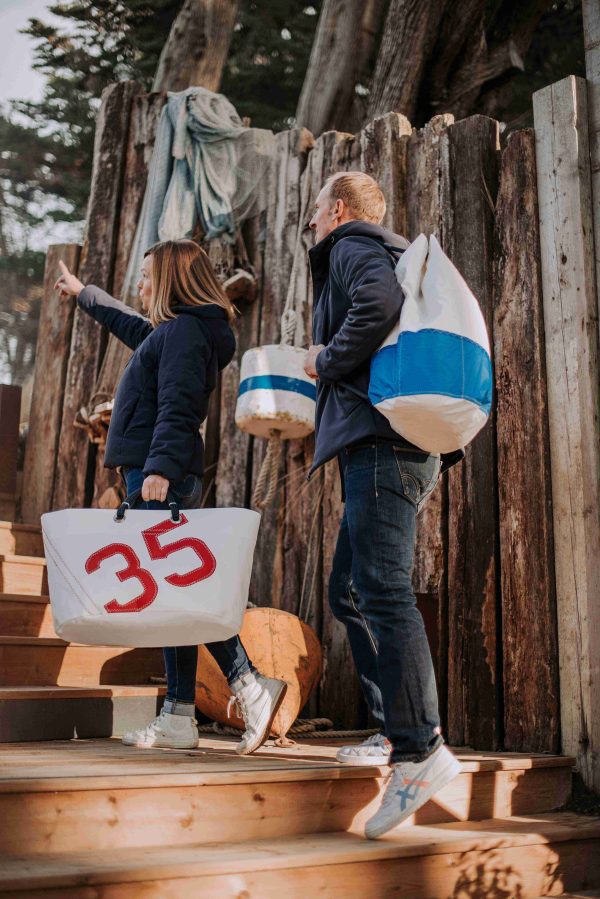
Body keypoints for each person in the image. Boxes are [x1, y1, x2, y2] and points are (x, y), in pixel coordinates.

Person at [55, 239, 287, 754]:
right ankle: (179, 714)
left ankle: (249, 684)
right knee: (170, 593)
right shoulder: (177, 332)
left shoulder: (183, 332)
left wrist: (158, 467)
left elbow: (179, 405)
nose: (139, 285)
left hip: (160, 473)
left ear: (169, 279)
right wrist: (84, 293)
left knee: (179, 592)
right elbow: (133, 329)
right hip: (156, 471)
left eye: (144, 276)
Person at [303, 172, 462, 839]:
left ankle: (419, 749)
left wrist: (327, 360)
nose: (310, 224)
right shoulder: (386, 247)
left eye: (314, 212)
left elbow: (376, 302)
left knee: (382, 589)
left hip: (380, 445)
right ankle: (389, 724)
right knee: (349, 589)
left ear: (337, 209)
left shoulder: (350, 246)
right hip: (402, 445)